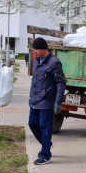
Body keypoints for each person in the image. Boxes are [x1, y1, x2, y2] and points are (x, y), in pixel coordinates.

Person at [29, 37, 66, 165]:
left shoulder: (54, 63)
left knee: (45, 128)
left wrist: (58, 102)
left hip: (46, 101)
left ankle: (45, 155)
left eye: (36, 50)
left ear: (43, 49)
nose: (34, 52)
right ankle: (47, 144)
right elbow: (34, 80)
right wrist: (31, 97)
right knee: (32, 124)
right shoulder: (36, 61)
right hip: (35, 100)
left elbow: (61, 83)